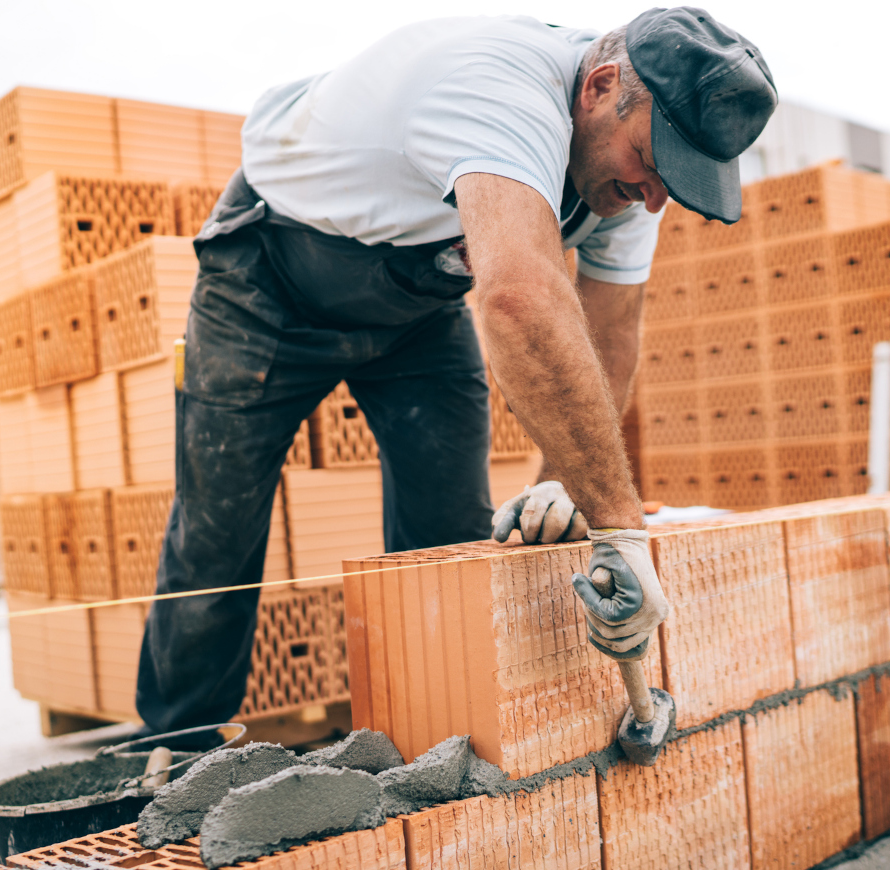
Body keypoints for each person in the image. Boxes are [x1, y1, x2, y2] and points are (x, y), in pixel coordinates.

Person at [133, 6, 777, 740]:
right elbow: (519, 297)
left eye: (678, 180)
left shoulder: (632, 166)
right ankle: (172, 756)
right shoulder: (497, 88)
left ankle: (432, 746)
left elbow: (609, 332)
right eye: (653, 164)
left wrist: (562, 486)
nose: (657, 197)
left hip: (416, 302)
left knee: (448, 534)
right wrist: (619, 528)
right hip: (270, 276)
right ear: (599, 87)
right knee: (217, 532)